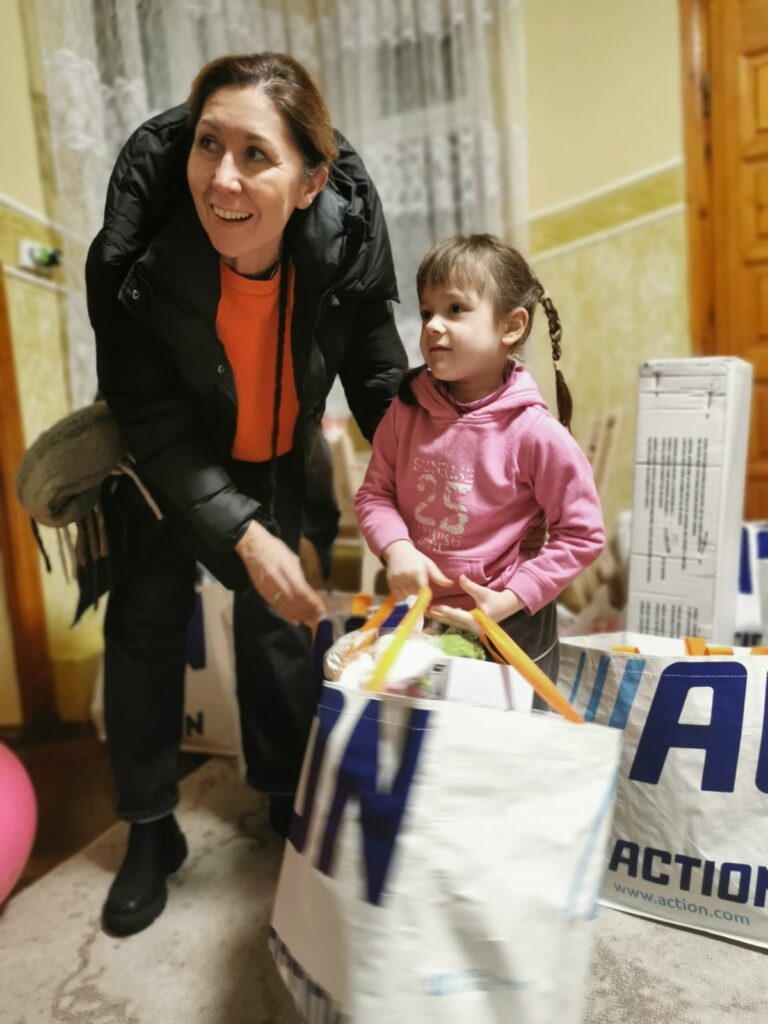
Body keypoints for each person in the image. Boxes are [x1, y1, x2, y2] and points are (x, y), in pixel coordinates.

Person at [85, 52, 407, 936]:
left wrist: (433, 496)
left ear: (310, 182)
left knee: (281, 624)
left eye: (256, 154)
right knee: (145, 621)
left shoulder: (347, 230)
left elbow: (377, 374)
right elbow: (145, 412)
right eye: (208, 145)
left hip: (279, 451)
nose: (222, 178)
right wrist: (242, 534)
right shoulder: (137, 242)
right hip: (164, 458)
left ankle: (282, 797)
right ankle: (150, 826)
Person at [354, 233, 604, 689]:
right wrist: (397, 547)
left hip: (510, 623)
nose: (432, 325)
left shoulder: (535, 433)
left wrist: (512, 598)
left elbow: (582, 533)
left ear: (511, 327)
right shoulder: (404, 412)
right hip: (425, 615)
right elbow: (375, 495)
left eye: (455, 309)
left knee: (511, 731)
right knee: (429, 728)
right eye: (426, 312)